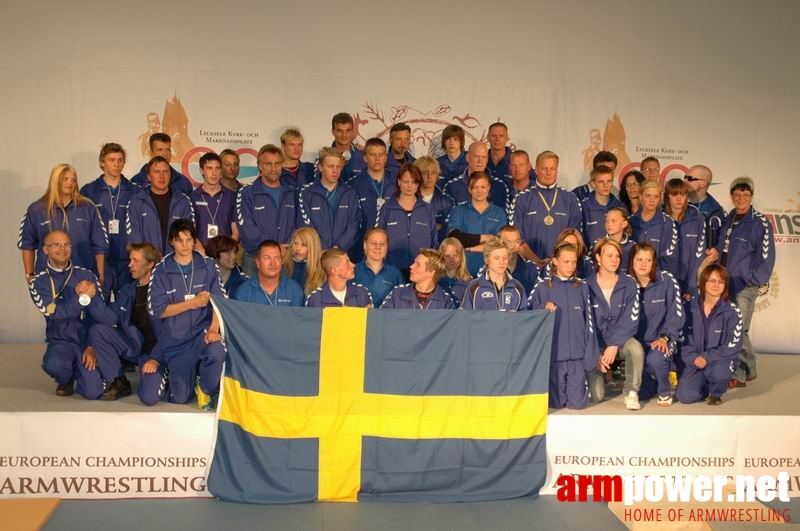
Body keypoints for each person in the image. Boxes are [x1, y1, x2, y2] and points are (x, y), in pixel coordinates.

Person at [27, 231, 119, 399]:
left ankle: (82, 369)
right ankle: (66, 378)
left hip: (86, 342)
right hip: (62, 342)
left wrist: (93, 346)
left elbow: (104, 317)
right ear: (45, 250)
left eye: (66, 244)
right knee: (54, 365)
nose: (62, 249)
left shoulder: (87, 275)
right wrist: (83, 299)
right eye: (56, 245)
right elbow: (56, 314)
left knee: (93, 392)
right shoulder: (38, 282)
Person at [145, 219, 226, 409]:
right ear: (172, 242)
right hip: (177, 342)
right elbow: (158, 310)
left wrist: (213, 330)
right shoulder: (161, 269)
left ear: (194, 241)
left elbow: (219, 302)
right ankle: (172, 370)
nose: (185, 245)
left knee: (218, 350)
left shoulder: (208, 265)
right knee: (180, 398)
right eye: (180, 240)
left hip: (202, 334)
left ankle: (204, 387)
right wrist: (192, 304)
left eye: (189, 240)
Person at [711, 177, 775, 388]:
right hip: (725, 283)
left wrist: (753, 281)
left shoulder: (759, 221)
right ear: (731, 196)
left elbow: (766, 256)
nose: (741, 198)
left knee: (740, 330)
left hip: (745, 285)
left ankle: (741, 373)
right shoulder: (730, 217)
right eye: (737, 195)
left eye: (745, 195)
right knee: (732, 328)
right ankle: (747, 368)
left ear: (751, 196)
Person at [89, 242, 162, 401]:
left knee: (148, 398)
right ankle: (118, 380)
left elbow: (172, 332)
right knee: (98, 331)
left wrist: (156, 358)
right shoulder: (128, 290)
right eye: (130, 260)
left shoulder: (164, 291)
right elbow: (110, 317)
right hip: (136, 347)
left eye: (135, 261)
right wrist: (90, 298)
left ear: (150, 264)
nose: (130, 265)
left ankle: (166, 374)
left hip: (159, 352)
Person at [527, 243, 598, 409]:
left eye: (574, 262)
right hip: (554, 358)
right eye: (566, 261)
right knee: (555, 406)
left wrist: (590, 354)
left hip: (577, 359)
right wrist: (542, 308)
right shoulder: (542, 287)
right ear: (555, 261)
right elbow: (528, 317)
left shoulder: (583, 287)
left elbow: (590, 322)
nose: (571, 266)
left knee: (578, 406)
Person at [20, 163, 108, 284]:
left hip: (83, 277)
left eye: (73, 180)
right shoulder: (36, 210)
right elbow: (27, 245)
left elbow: (99, 245)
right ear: (55, 180)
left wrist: (100, 275)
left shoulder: (88, 208)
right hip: (48, 278)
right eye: (65, 179)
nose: (70, 183)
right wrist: (29, 275)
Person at [585, 240, 641, 409]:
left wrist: (614, 344)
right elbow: (584, 324)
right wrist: (595, 355)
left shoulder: (630, 283)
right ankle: (597, 377)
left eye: (617, 256)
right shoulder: (585, 285)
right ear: (598, 258)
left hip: (620, 342)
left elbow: (631, 320)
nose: (614, 260)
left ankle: (632, 393)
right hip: (596, 346)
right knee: (597, 397)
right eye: (609, 255)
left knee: (636, 349)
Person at [677, 264, 743, 405]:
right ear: (703, 282)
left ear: (725, 285)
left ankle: (716, 393)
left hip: (719, 360)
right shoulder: (687, 307)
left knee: (719, 373)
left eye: (720, 281)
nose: (716, 285)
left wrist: (707, 357)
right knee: (685, 397)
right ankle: (704, 385)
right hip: (695, 359)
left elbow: (733, 346)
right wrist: (694, 358)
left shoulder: (732, 312)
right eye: (712, 281)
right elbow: (682, 339)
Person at [629, 243, 685, 407]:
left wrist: (665, 337)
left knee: (656, 358)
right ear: (632, 261)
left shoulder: (666, 280)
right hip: (638, 343)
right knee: (643, 391)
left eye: (648, 260)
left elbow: (677, 313)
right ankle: (653, 378)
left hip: (663, 338)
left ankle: (665, 390)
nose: (643, 264)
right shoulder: (626, 283)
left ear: (654, 262)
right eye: (639, 259)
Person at [80, 143, 139, 297]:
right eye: (111, 160)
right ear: (102, 162)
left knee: (126, 307)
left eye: (120, 160)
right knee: (98, 306)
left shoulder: (135, 191)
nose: (116, 164)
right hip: (98, 259)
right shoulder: (88, 191)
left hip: (126, 259)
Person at [512, 150, 582, 269]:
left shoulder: (570, 199)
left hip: (560, 267)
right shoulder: (522, 199)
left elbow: (574, 237)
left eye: (552, 168)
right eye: (544, 168)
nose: (548, 173)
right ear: (536, 170)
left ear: (557, 170)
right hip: (529, 267)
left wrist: (555, 260)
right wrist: (537, 261)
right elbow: (517, 239)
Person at [236, 144, 297, 277]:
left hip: (284, 257)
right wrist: (275, 248)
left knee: (283, 297)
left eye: (277, 164)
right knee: (250, 297)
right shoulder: (246, 193)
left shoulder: (292, 192)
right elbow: (247, 229)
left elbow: (298, 224)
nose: (273, 168)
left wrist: (285, 247)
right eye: (268, 164)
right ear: (259, 166)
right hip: (254, 259)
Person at [377, 164, 438, 278]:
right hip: (392, 268)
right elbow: (379, 238)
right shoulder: (387, 208)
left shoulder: (427, 209)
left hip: (421, 269)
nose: (409, 186)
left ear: (418, 184)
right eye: (406, 181)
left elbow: (434, 241)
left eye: (414, 182)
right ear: (399, 182)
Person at [126, 156, 195, 256]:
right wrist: (153, 259)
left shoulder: (183, 201)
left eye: (165, 171)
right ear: (149, 177)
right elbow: (134, 239)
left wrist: (172, 261)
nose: (161, 176)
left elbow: (188, 235)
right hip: (147, 264)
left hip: (176, 264)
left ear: (170, 175)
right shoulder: (136, 202)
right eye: (157, 172)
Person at [298, 147, 361, 254]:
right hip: (316, 255)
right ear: (321, 167)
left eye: (338, 166)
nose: (335, 170)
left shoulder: (350, 193)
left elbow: (354, 225)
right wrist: (323, 249)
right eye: (330, 166)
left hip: (342, 255)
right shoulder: (306, 193)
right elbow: (305, 225)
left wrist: (338, 248)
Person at [445, 172, 507, 276]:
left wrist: (470, 248)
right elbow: (455, 238)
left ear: (489, 188)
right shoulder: (459, 210)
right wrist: (486, 237)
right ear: (469, 189)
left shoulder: (499, 212)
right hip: (463, 271)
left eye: (483, 187)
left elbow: (498, 244)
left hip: (491, 271)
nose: (479, 191)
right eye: (475, 187)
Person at [348, 137, 397, 261]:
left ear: (386, 158)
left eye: (381, 155)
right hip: (362, 249)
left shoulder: (398, 182)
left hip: (392, 248)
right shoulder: (354, 184)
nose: (377, 159)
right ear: (365, 158)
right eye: (372, 155)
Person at [663, 178, 706, 299]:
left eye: (682, 194)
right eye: (674, 194)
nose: (678, 198)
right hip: (664, 282)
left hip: (689, 283)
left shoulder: (697, 219)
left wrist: (692, 285)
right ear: (667, 196)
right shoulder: (660, 219)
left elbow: (699, 254)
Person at [461, 237, 526, 311]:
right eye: (496, 258)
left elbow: (524, 319)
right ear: (487, 260)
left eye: (505, 258)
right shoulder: (474, 287)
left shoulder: (518, 288)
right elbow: (464, 318)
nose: (502, 262)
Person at [189, 152, 238, 248]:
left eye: (217, 168)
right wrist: (199, 249)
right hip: (200, 252)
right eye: (209, 168)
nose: (214, 173)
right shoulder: (192, 197)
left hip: (225, 253)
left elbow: (235, 232)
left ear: (221, 170)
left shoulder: (232, 196)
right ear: (201, 170)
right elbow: (190, 231)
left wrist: (227, 249)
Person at [233, 240, 304, 306]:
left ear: (282, 261)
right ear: (258, 262)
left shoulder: (295, 291)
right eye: (267, 258)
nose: (273, 263)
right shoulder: (244, 292)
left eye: (277, 258)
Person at [629, 180, 679, 275]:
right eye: (648, 196)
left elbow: (669, 258)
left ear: (660, 198)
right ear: (640, 197)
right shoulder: (629, 222)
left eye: (656, 197)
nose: (652, 200)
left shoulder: (667, 223)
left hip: (657, 280)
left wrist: (655, 279)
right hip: (632, 279)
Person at [443, 142, 510, 210]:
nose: (480, 161)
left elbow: (503, 217)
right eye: (476, 156)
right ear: (467, 157)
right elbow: (448, 217)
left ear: (487, 159)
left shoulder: (500, 186)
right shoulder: (451, 186)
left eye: (484, 157)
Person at [381, 249, 455, 309]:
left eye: (418, 264)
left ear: (431, 272)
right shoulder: (397, 293)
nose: (411, 266)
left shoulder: (445, 301)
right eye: (414, 263)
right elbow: (382, 320)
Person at [305, 248, 373, 308]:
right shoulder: (315, 299)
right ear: (335, 270)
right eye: (347, 262)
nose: (353, 265)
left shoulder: (361, 292)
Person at [354, 228, 404, 307]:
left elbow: (401, 302)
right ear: (365, 245)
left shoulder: (395, 274)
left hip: (387, 318)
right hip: (360, 318)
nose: (378, 247)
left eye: (382, 244)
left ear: (387, 246)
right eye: (373, 243)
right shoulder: (353, 271)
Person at [581, 165, 625, 246]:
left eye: (609, 181)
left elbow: (625, 235)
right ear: (593, 184)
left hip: (614, 256)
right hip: (591, 256)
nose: (606, 185)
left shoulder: (620, 206)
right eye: (601, 181)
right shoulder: (583, 206)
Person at [685, 164, 725, 249]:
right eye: (685, 177)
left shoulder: (715, 211)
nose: (685, 181)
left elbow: (716, 245)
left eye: (690, 178)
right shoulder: (674, 202)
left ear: (703, 183)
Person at [415, 156, 454, 242]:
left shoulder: (447, 202)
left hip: (439, 250)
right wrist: (436, 226)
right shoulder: (409, 200)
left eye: (433, 172)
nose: (430, 176)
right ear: (417, 175)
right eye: (425, 173)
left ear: (437, 175)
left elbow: (448, 230)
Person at [282, 227, 325, 297]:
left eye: (304, 245)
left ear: (313, 248)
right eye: (295, 243)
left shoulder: (321, 271)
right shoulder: (284, 266)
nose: (298, 248)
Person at [497, 225, 539, 295]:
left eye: (517, 241)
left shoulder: (532, 269)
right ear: (498, 242)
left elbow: (535, 298)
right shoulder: (488, 270)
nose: (513, 246)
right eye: (508, 242)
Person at [596, 207, 636, 274]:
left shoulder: (633, 247)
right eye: (607, 221)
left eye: (613, 221)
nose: (609, 224)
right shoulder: (598, 244)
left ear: (624, 224)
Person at [329, 112, 366, 181]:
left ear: (352, 131)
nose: (344, 135)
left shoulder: (363, 154)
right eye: (340, 131)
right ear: (333, 132)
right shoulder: (324, 157)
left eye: (348, 130)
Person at [438, 237, 472, 307]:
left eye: (455, 255)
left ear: (461, 257)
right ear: (441, 257)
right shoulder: (434, 281)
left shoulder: (470, 283)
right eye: (447, 256)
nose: (452, 259)